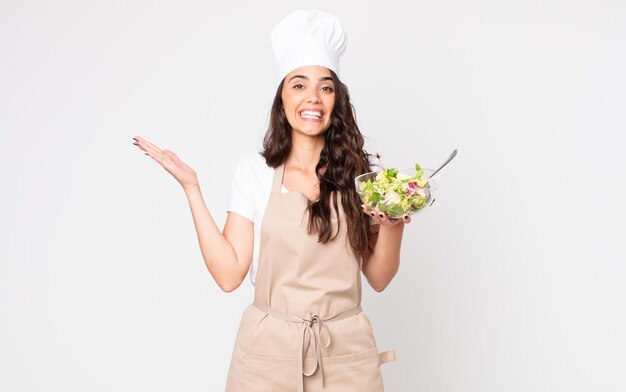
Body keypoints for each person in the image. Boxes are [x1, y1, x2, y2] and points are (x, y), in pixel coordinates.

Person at [133, 9, 411, 391]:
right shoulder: (255, 173)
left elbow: (379, 278)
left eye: (325, 87)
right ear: (282, 97)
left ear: (337, 100)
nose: (313, 97)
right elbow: (230, 274)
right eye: (299, 85)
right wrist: (192, 189)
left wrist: (393, 222)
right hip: (268, 355)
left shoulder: (362, 177)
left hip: (346, 353)